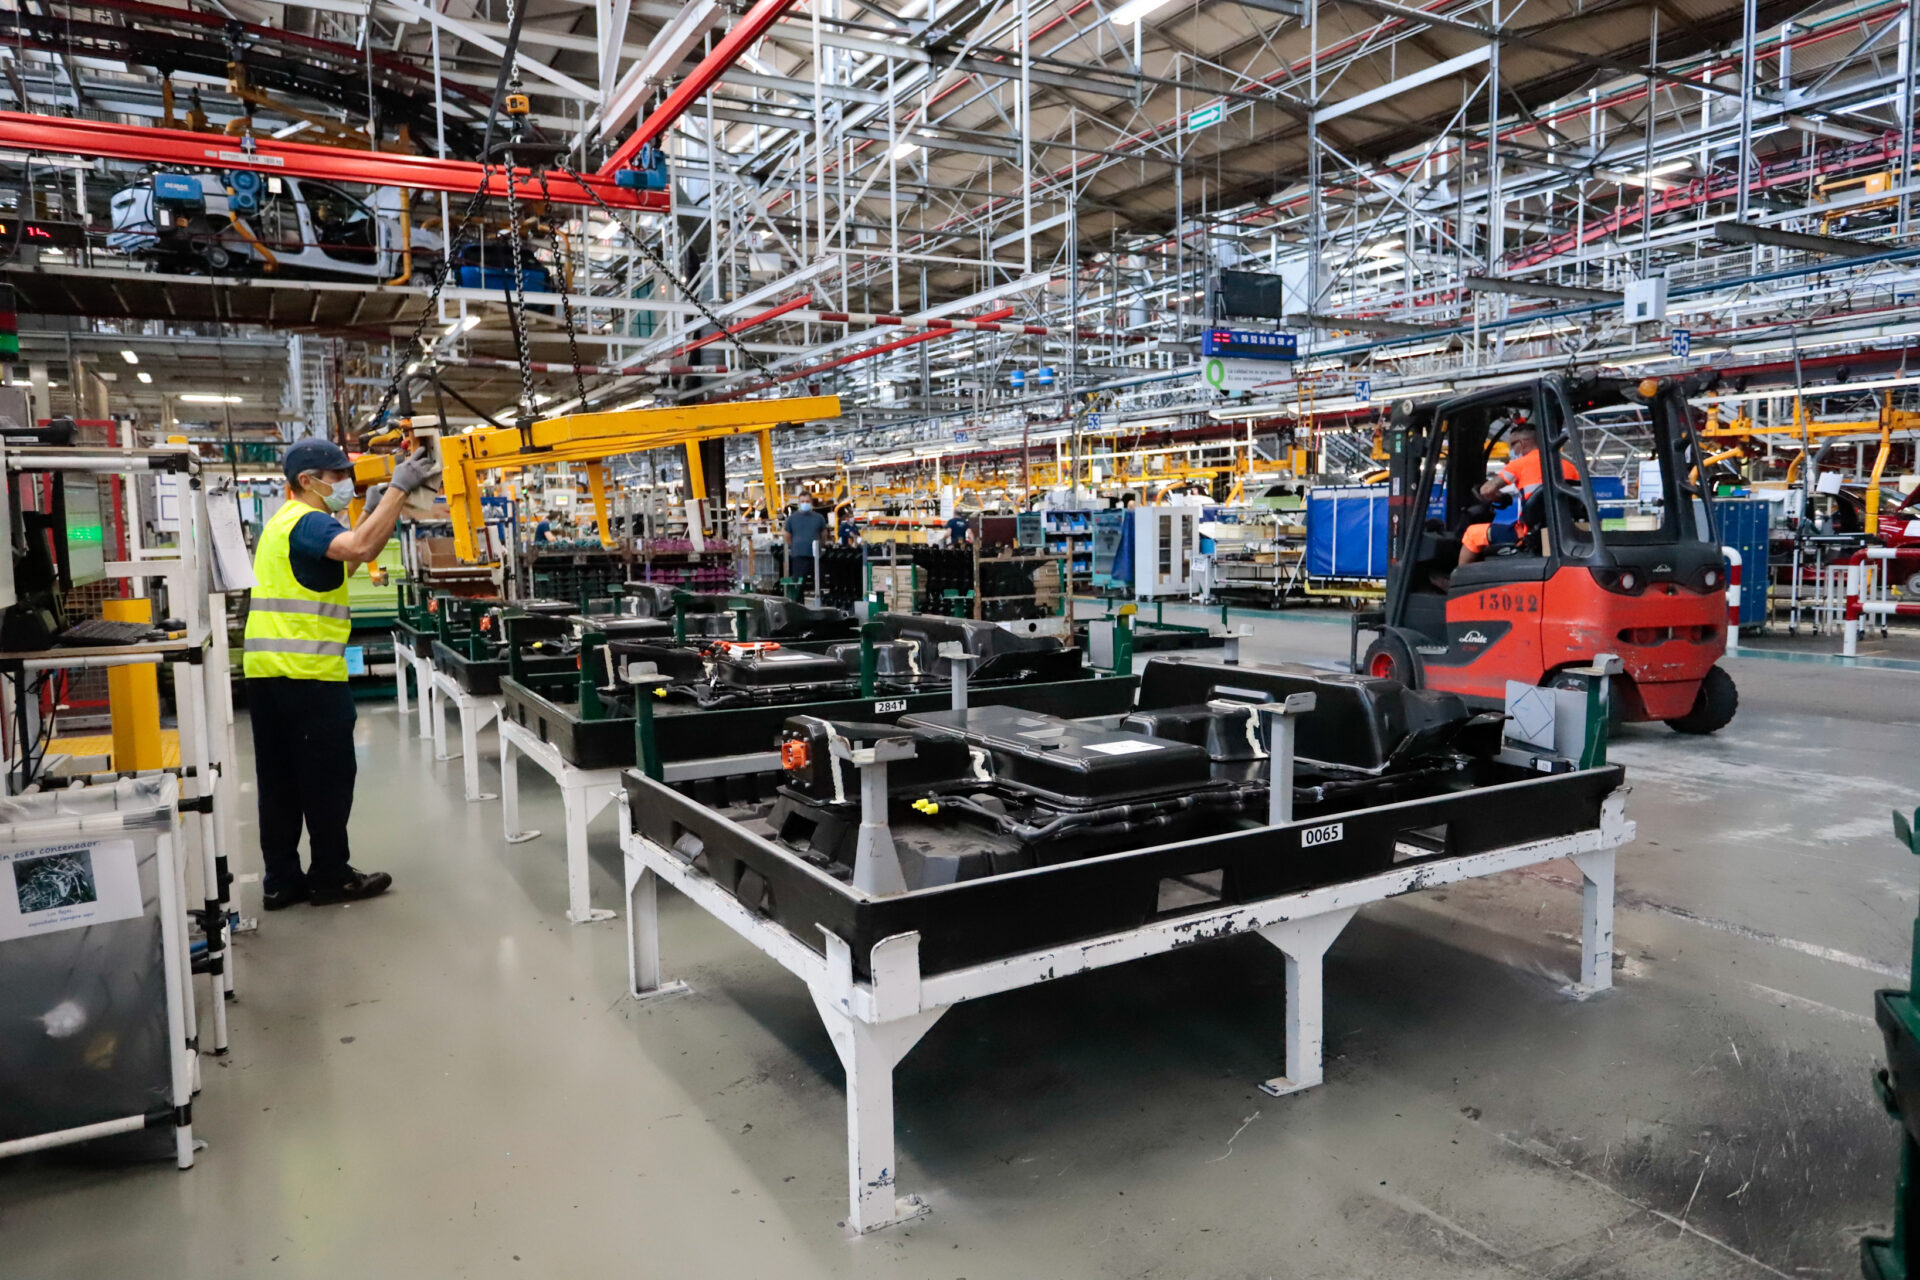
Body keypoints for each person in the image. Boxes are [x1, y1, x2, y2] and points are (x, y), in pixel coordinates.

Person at [245, 436, 440, 909]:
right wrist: (399, 490)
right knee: (328, 779)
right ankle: (330, 876)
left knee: (280, 784)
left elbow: (340, 567)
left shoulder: (283, 523)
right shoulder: (308, 520)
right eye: (336, 476)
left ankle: (281, 881)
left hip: (268, 676)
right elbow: (363, 547)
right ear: (306, 481)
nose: (345, 483)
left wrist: (368, 511)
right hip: (307, 676)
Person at [1457, 420, 1578, 566]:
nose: (1512, 450)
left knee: (1472, 533)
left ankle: (1458, 577)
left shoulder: (1519, 464)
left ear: (1522, 444)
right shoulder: (1570, 466)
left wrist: (1499, 497)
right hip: (1564, 533)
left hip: (1529, 534)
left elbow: (1486, 490)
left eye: (1513, 445)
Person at [785, 495, 827, 586]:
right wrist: (793, 547)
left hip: (815, 556)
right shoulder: (792, 518)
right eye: (802, 501)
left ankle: (819, 595)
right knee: (798, 584)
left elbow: (823, 534)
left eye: (807, 501)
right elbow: (788, 535)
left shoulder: (819, 518)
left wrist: (821, 546)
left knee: (819, 582)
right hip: (798, 555)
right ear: (799, 503)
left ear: (811, 502)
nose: (805, 503)